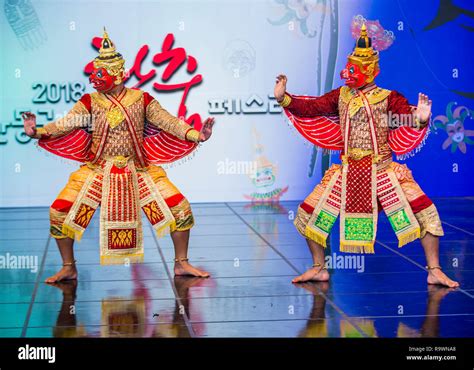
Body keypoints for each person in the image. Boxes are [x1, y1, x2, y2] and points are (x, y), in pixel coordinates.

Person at [274, 24, 459, 288]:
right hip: (347, 173)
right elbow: (312, 107)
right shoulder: (340, 96)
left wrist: (419, 119)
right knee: (307, 213)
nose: (349, 73)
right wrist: (285, 99)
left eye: (354, 69)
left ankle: (434, 270)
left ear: (372, 70)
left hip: (384, 173)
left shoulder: (388, 98)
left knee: (426, 212)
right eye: (349, 68)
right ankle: (319, 268)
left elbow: (403, 116)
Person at [22, 29, 214, 283]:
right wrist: (37, 132)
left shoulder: (141, 100)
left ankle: (181, 263)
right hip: (98, 170)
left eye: (100, 73)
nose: (95, 78)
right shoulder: (90, 102)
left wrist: (195, 135)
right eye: (95, 72)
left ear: (118, 74)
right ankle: (69, 266)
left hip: (139, 170)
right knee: (59, 211)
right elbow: (65, 124)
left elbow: (168, 122)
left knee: (180, 208)